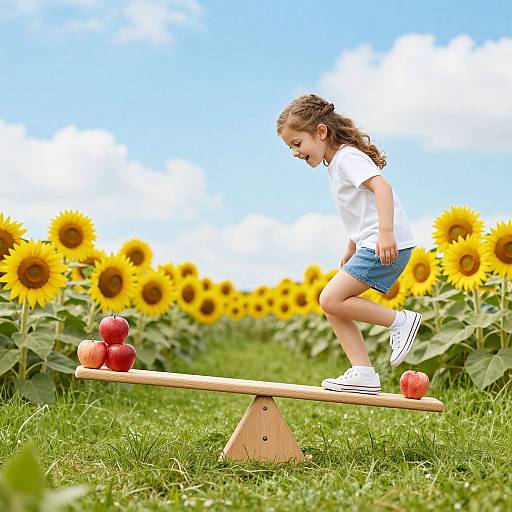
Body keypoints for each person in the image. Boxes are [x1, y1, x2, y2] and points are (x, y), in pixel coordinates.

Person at [276, 93, 421, 395]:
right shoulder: (337, 162)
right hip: (370, 242)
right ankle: (364, 372)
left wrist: (384, 233)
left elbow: (381, 187)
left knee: (330, 299)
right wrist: (352, 245)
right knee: (334, 305)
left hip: (385, 244)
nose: (293, 152)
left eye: (297, 143)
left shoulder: (346, 158)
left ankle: (400, 321)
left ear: (320, 131)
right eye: (290, 147)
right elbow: (360, 209)